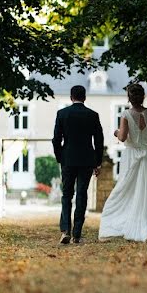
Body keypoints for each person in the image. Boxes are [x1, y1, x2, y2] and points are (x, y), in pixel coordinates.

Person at [99, 83, 147, 243]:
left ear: (129, 98)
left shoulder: (126, 115)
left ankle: (121, 222)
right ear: (143, 97)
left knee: (126, 189)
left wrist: (115, 132)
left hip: (132, 155)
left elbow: (122, 137)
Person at [52, 84, 104, 244]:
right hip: (87, 160)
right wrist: (98, 162)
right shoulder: (93, 115)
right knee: (82, 194)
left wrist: (60, 157)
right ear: (85, 97)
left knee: (67, 195)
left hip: (68, 159)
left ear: (71, 97)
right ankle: (77, 234)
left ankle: (65, 230)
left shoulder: (62, 114)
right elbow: (99, 140)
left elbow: (56, 139)